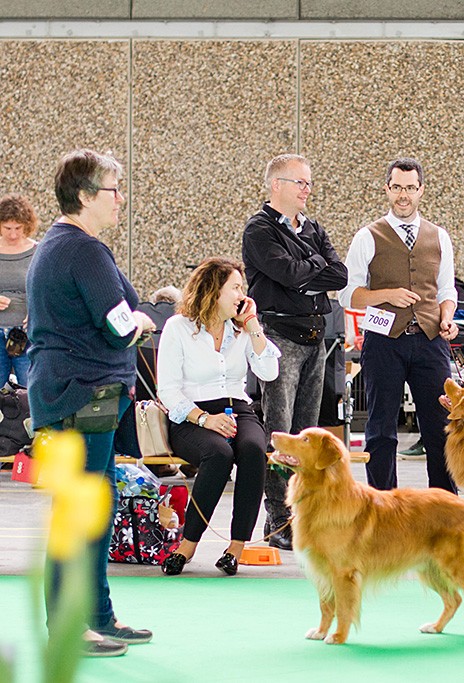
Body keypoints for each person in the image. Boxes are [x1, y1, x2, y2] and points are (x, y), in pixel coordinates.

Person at [26, 149, 156, 657]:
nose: (120, 200)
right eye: (113, 190)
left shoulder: (68, 246)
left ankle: (97, 616)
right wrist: (144, 321)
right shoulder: (82, 250)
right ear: (84, 197)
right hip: (80, 398)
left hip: (75, 398)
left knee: (92, 513)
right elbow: (121, 324)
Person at [242, 154, 347, 551]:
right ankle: (278, 518)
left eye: (309, 183)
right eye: (300, 182)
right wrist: (312, 265)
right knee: (281, 433)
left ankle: (307, 515)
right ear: (276, 185)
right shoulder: (259, 230)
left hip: (315, 338)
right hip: (280, 337)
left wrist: (308, 268)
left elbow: (340, 274)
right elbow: (287, 274)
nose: (307, 190)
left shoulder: (313, 227)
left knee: (307, 433)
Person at [339, 157, 459, 492]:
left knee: (440, 428)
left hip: (430, 341)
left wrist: (447, 317)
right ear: (386, 189)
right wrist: (387, 294)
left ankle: (444, 508)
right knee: (380, 430)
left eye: (410, 188)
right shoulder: (368, 236)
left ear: (421, 190)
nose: (403, 195)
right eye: (396, 188)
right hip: (383, 341)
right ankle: (382, 507)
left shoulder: (440, 237)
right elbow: (347, 295)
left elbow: (447, 290)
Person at [157, 258, 280, 577]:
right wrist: (203, 419)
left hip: (237, 406)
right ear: (214, 291)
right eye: (236, 287)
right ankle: (188, 544)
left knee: (254, 450)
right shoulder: (179, 328)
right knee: (219, 453)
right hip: (191, 413)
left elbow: (269, 371)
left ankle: (235, 548)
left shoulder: (242, 327)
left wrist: (253, 326)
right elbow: (167, 392)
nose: (243, 294)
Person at [0, 194, 39, 387]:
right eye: (7, 228)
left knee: (29, 392)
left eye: (18, 228)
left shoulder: (37, 251)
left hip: (26, 335)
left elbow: (48, 291)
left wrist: (37, 313)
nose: (13, 234)